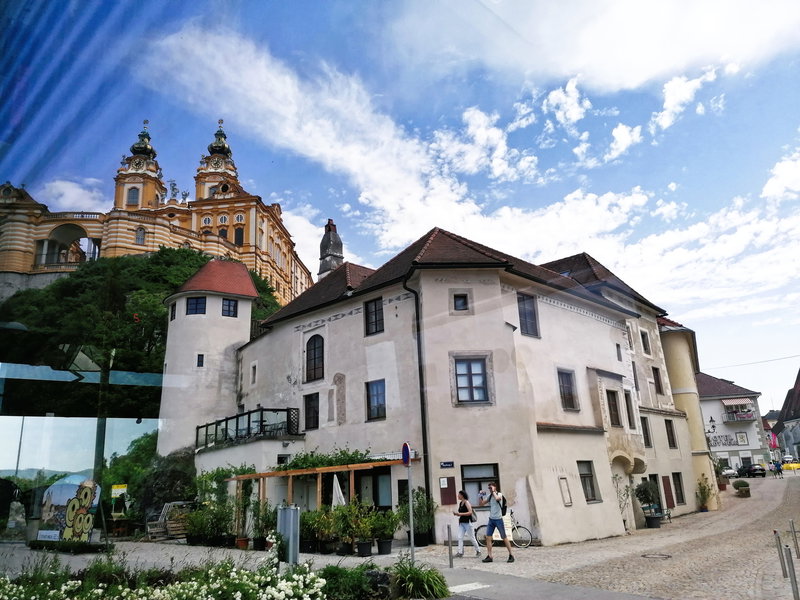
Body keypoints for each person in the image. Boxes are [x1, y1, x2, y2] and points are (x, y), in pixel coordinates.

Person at [478, 482, 514, 563]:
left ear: (495, 487)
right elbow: (481, 504)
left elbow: (497, 499)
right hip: (491, 519)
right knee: (488, 537)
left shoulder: (499, 494)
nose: (490, 489)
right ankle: (490, 556)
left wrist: (494, 491)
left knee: (504, 537)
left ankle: (511, 555)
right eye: (489, 488)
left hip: (498, 519)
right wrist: (480, 496)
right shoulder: (490, 496)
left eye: (491, 488)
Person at [452, 490, 480, 558]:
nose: (458, 496)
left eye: (459, 495)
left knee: (472, 538)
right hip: (462, 523)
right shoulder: (461, 503)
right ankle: (460, 552)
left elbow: (470, 512)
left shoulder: (466, 502)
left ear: (462, 495)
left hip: (468, 523)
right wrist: (457, 515)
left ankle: (478, 551)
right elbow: (461, 513)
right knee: (460, 537)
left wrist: (460, 514)